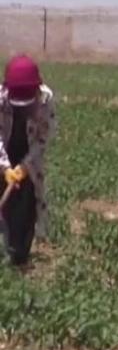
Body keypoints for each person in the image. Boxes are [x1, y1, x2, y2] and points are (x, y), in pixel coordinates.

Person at [0, 55, 58, 268]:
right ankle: (6, 245)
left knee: (25, 203)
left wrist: (25, 165)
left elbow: (44, 137)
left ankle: (19, 255)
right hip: (4, 150)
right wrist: (5, 167)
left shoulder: (45, 100)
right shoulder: (0, 99)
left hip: (29, 152)